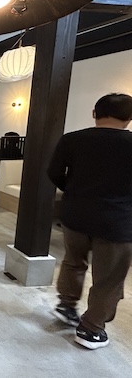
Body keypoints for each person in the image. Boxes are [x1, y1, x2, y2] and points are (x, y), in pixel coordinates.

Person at [47, 93, 132, 350]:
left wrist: (74, 191)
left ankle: (66, 305)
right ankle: (91, 329)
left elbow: (54, 173)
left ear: (94, 113)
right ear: (129, 118)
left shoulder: (72, 139)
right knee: (109, 277)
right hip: (117, 220)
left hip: (75, 214)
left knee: (73, 261)